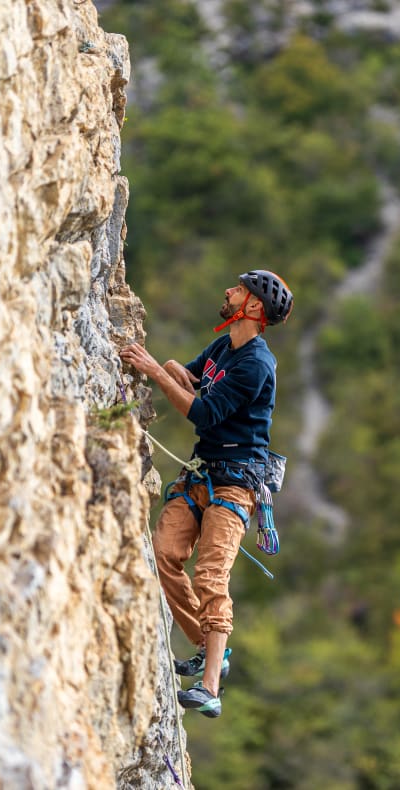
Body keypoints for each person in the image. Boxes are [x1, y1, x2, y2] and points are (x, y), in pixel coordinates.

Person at [120, 270, 293, 718]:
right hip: (203, 475)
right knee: (162, 553)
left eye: (239, 290)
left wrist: (159, 371)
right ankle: (206, 644)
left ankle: (211, 686)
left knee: (212, 577)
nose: (229, 291)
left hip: (236, 485)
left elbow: (204, 413)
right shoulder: (223, 347)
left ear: (253, 308)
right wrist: (175, 370)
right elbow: (194, 379)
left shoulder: (257, 363)